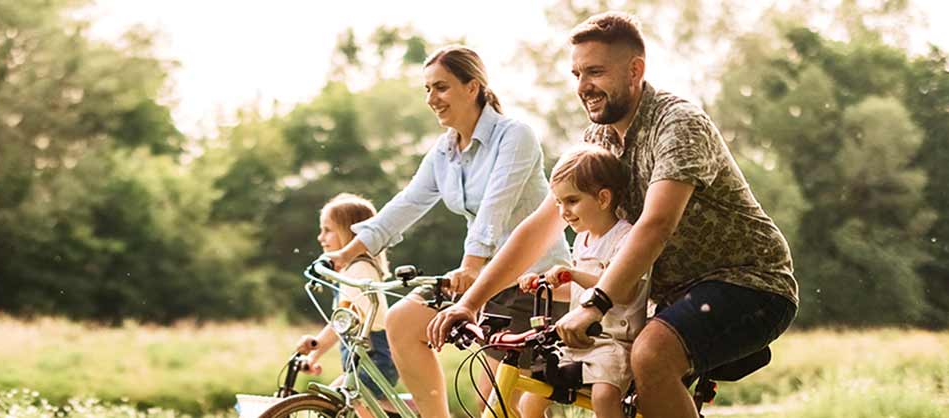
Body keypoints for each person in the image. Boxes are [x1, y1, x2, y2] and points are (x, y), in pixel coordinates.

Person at [429, 12, 798, 418]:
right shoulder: (598, 140)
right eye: (577, 74)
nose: (583, 86)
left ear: (635, 70)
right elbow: (541, 225)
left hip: (748, 284)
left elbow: (656, 225)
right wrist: (470, 302)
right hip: (666, 297)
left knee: (651, 355)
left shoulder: (678, 124)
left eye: (595, 72)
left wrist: (595, 304)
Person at [323, 45, 571, 418]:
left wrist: (471, 266)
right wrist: (347, 252)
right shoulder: (445, 152)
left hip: (533, 284)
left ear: (472, 87)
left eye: (441, 87)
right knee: (403, 320)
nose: (431, 99)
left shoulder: (514, 136)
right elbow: (407, 203)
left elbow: (494, 210)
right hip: (482, 279)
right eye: (427, 89)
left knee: (497, 404)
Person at [514, 144, 648, 418]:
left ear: (603, 199)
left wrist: (572, 273)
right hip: (577, 340)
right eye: (558, 203)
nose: (563, 211)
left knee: (604, 396)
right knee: (530, 399)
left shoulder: (625, 238)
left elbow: (624, 291)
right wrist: (543, 285)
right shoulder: (582, 240)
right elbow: (577, 292)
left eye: (572, 201)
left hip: (614, 342)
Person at [295, 193, 400, 415]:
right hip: (365, 360)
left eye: (328, 230)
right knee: (343, 405)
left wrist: (316, 345)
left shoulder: (359, 270)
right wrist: (313, 355)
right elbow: (341, 323)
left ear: (349, 232)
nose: (320, 237)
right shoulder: (351, 271)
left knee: (333, 404)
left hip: (375, 359)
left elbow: (343, 321)